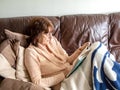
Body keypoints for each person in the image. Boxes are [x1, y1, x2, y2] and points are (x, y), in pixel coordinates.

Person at [24, 17, 90, 90]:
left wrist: (80, 50)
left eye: (50, 33)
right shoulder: (31, 53)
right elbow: (37, 82)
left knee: (96, 50)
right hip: (63, 83)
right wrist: (64, 74)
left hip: (73, 71)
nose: (50, 36)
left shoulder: (53, 40)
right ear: (36, 34)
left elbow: (67, 60)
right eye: (46, 33)